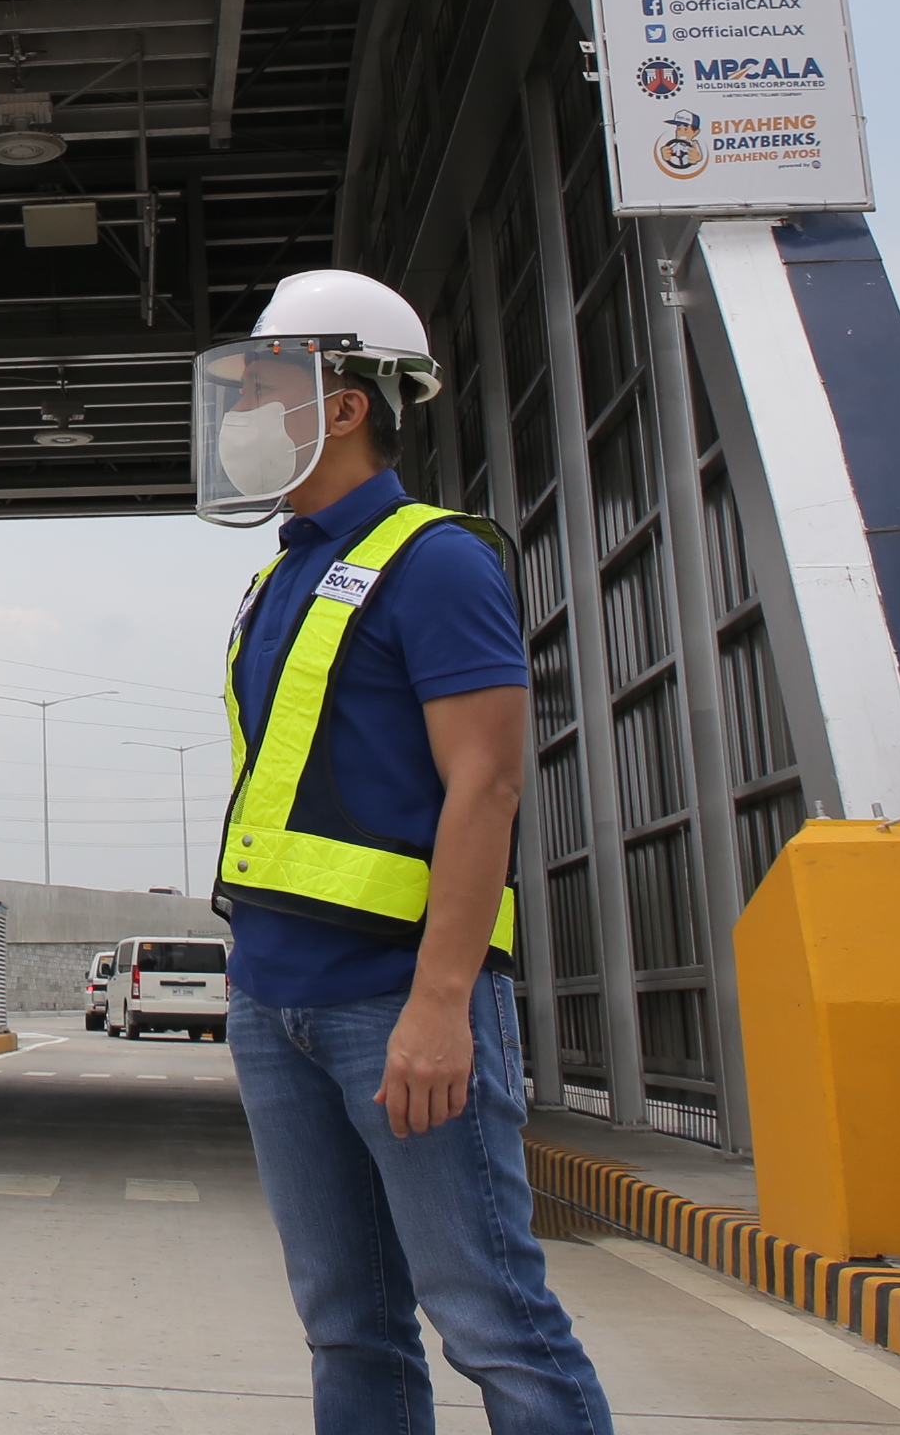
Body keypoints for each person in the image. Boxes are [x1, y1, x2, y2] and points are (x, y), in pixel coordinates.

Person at [194, 269, 614, 1435]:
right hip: (277, 998)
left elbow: (486, 784)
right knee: (349, 1322)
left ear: (344, 402)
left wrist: (442, 1003)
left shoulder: (439, 560)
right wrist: (249, 983)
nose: (240, 412)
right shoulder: (275, 577)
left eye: (265, 384)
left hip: (399, 998)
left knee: (490, 1320)